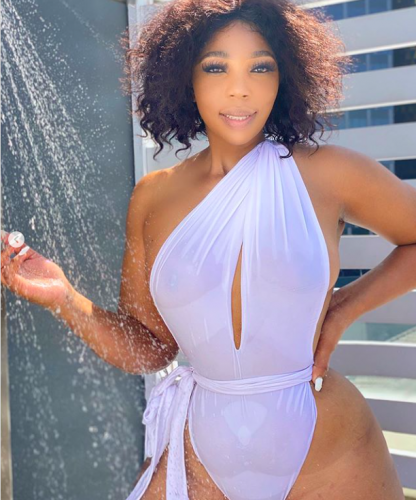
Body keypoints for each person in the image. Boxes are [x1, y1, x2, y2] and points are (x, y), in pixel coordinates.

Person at [2, 0, 415, 498]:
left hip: (328, 452)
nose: (240, 88)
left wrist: (346, 307)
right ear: (186, 78)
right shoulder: (152, 198)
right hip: (202, 450)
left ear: (284, 76)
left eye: (260, 67)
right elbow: (150, 347)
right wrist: (65, 297)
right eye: (216, 67)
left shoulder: (330, 173)